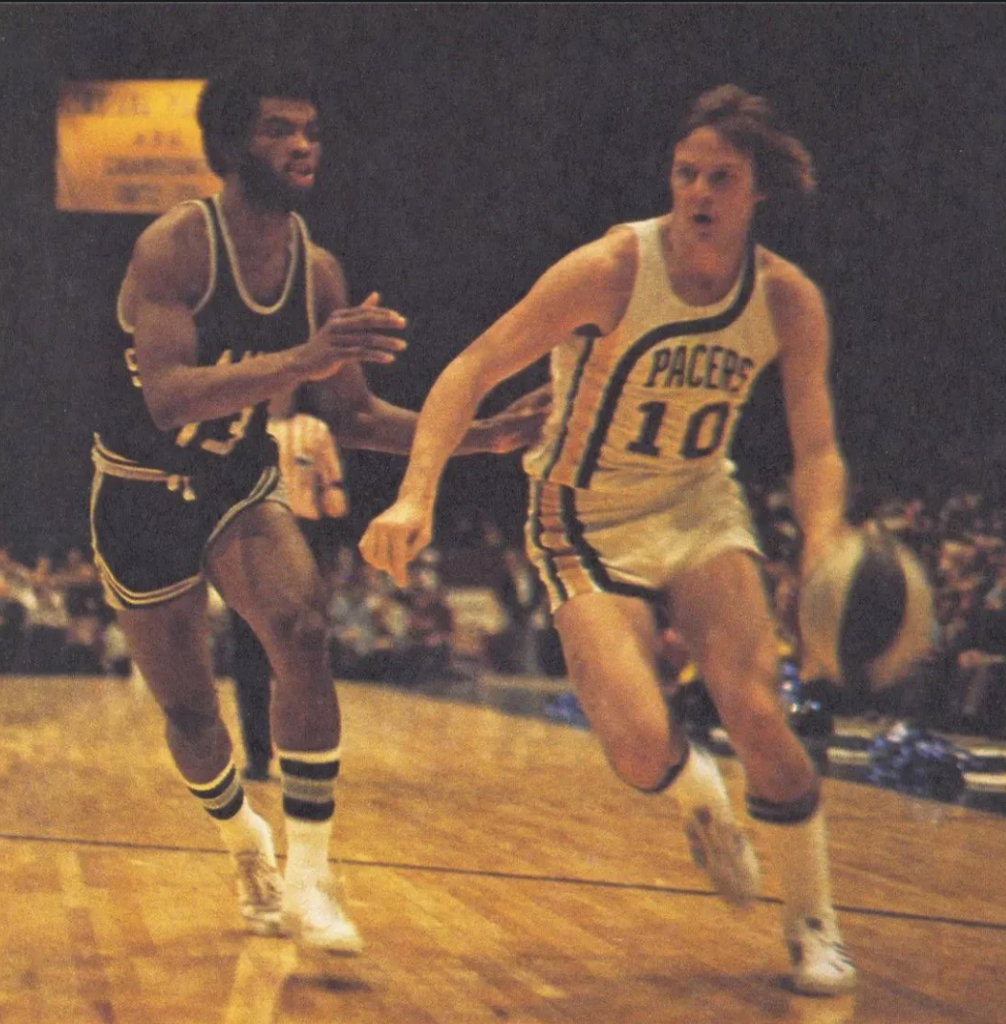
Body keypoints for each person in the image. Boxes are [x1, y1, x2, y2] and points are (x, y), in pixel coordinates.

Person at [360, 84, 857, 995]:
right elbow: (472, 366)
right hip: (581, 514)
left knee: (756, 708)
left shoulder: (787, 299)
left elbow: (816, 444)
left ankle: (813, 921)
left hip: (701, 507)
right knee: (636, 743)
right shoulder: (610, 268)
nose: (698, 191)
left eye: (720, 177)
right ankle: (697, 794)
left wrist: (823, 540)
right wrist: (414, 494)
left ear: (758, 194)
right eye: (685, 173)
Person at [89, 58, 546, 955]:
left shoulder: (318, 272)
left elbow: (357, 414)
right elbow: (171, 398)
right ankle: (242, 840)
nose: (303, 145)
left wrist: (477, 436)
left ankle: (311, 875)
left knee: (302, 628)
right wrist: (303, 359)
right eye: (278, 129)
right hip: (138, 496)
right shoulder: (174, 248)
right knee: (190, 716)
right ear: (229, 146)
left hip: (235, 485)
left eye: (310, 130)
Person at [228, 399, 350, 782]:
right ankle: (257, 756)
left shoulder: (314, 430)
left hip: (301, 535)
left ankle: (304, 755)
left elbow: (335, 501)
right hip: (247, 537)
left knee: (301, 654)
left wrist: (330, 494)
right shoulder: (239, 422)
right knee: (248, 655)